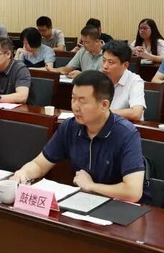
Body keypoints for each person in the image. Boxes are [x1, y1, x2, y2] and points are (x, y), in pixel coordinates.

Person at [10, 71, 148, 203]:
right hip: (83, 202)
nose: (75, 107)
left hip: (119, 207)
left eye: (82, 101)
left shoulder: (126, 133)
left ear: (104, 105)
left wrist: (91, 186)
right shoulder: (70, 127)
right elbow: (39, 165)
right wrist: (24, 173)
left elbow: (133, 192)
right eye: (73, 98)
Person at [101, 41, 145, 122]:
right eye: (104, 60)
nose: (105, 66)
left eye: (110, 62)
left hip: (124, 127)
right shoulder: (98, 78)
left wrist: (103, 112)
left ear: (125, 65)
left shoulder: (135, 81)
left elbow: (136, 113)